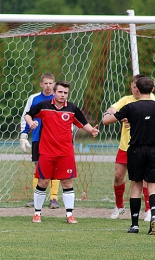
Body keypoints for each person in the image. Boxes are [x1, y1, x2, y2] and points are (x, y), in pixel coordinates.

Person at [102, 77, 155, 235]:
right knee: (153, 185)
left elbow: (106, 121)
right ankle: (154, 217)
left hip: (135, 149)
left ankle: (134, 224)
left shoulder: (130, 107)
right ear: (153, 90)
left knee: (136, 186)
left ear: (136, 89)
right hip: (154, 150)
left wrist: (109, 113)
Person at [24, 80, 99, 224]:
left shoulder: (72, 108)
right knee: (43, 181)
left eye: (65, 93)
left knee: (67, 182)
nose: (63, 95)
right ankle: (37, 214)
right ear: (54, 92)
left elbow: (83, 123)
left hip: (65, 152)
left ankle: (69, 215)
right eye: (60, 92)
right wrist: (30, 123)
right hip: (46, 152)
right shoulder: (44, 106)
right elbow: (28, 115)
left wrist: (92, 130)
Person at [105, 74, 154, 222]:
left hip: (143, 145)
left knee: (144, 178)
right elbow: (110, 110)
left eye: (137, 87)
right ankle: (119, 206)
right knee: (118, 176)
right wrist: (121, 116)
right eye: (133, 86)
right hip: (125, 147)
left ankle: (148, 209)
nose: (135, 89)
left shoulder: (150, 99)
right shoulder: (126, 100)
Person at [20, 73, 60, 209]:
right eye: (46, 83)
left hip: (54, 139)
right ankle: (36, 197)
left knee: (54, 167)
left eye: (51, 83)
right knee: (38, 167)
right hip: (38, 138)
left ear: (54, 84)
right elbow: (26, 115)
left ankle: (54, 198)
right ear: (41, 84)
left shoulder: (58, 98)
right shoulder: (34, 98)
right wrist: (24, 134)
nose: (48, 86)